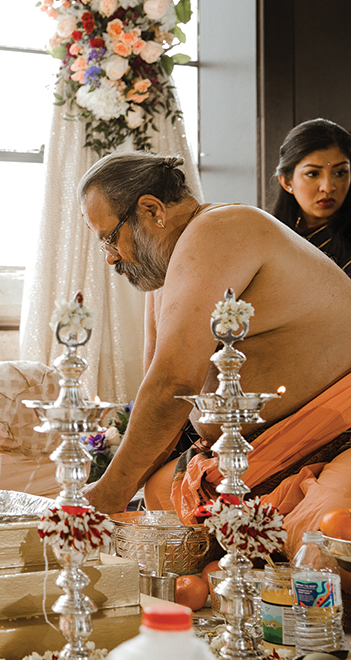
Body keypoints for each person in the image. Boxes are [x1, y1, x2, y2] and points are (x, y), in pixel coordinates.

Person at [77, 151, 351, 559]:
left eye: (109, 238)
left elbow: (174, 382)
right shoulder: (167, 271)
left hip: (337, 439)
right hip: (246, 458)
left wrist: (111, 490)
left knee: (319, 549)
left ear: (152, 210)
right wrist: (119, 486)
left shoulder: (219, 228)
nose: (110, 257)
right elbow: (159, 391)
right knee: (155, 499)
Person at [271, 118, 351, 277]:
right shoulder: (269, 236)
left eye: (340, 173)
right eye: (313, 174)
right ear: (287, 181)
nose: (328, 187)